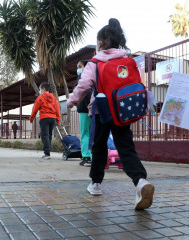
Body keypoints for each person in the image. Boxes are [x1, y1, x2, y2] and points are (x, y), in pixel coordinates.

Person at [67, 18, 154, 210]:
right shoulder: (127, 60)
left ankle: (96, 184)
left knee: (99, 147)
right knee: (126, 147)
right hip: (123, 111)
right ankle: (140, 181)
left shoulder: (95, 62)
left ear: (100, 42)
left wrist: (71, 101)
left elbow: (84, 86)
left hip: (102, 111)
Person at [30, 82, 61, 159]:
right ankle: (48, 152)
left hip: (44, 118)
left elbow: (35, 109)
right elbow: (57, 110)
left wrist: (32, 118)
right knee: (49, 135)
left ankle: (47, 153)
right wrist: (58, 120)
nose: (40, 91)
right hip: (52, 119)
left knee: (45, 135)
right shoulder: (54, 99)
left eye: (40, 89)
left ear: (43, 89)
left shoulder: (40, 98)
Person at [76, 60, 93, 167]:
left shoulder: (82, 77)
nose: (77, 69)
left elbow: (86, 93)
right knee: (92, 134)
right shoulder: (93, 77)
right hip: (93, 110)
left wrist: (88, 107)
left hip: (85, 110)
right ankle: (91, 156)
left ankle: (86, 157)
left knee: (85, 134)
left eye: (79, 66)